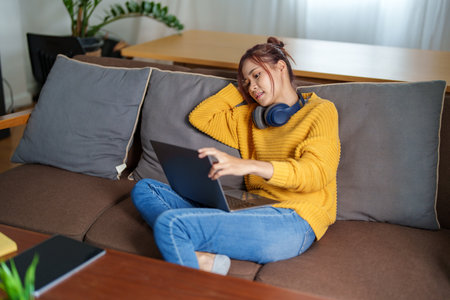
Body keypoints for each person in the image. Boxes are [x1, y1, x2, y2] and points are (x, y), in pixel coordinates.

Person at [131, 37, 341, 275]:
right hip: (250, 205)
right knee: (145, 188)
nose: (252, 86)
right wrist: (241, 88)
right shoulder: (252, 118)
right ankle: (197, 249)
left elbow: (317, 173)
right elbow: (202, 117)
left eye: (256, 75)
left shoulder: (321, 111)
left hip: (294, 218)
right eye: (246, 81)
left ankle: (186, 243)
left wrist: (248, 166)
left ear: (281, 67)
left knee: (171, 224)